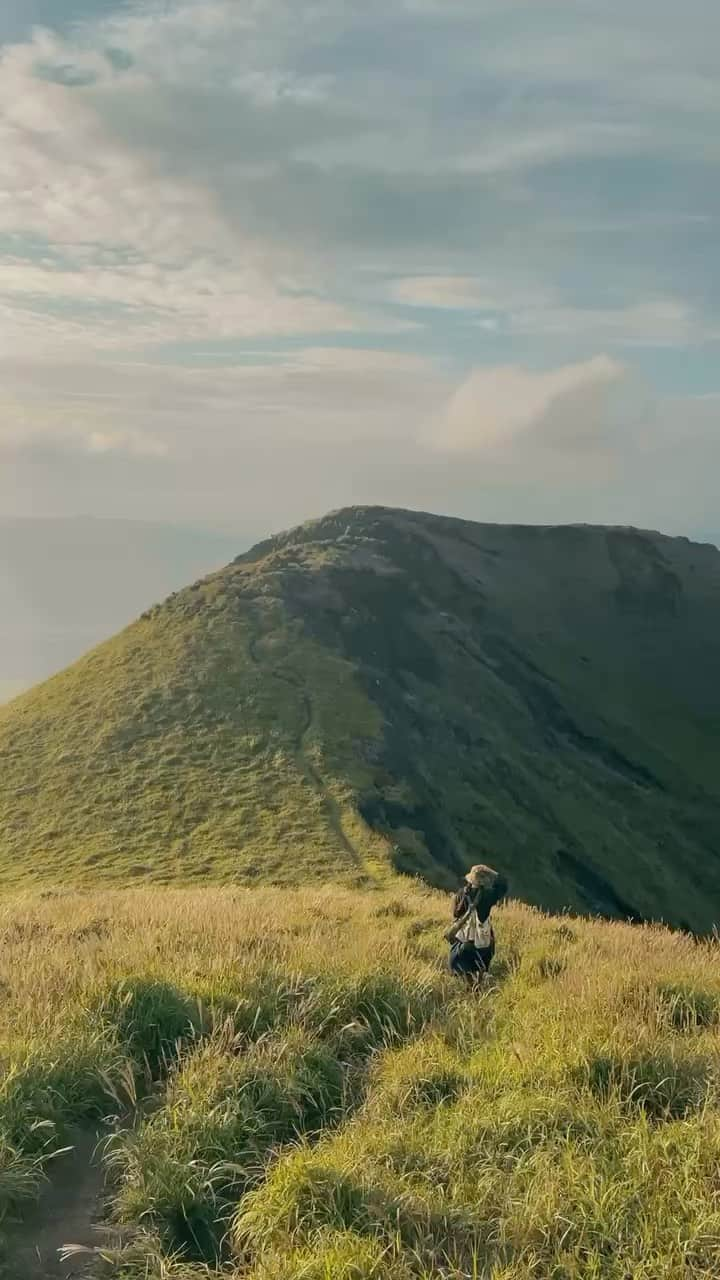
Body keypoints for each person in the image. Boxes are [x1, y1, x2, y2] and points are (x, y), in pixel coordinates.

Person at [445, 863, 508, 983]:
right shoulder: (488, 896)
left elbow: (455, 914)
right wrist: (492, 872)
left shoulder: (460, 894)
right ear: (483, 881)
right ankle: (479, 984)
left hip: (463, 941)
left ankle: (470, 987)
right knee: (482, 962)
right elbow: (503, 885)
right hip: (482, 943)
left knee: (465, 970)